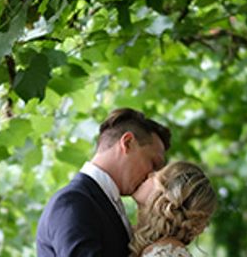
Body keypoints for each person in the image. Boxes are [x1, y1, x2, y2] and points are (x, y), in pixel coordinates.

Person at [36, 108, 171, 256]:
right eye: (153, 163)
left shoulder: (101, 202)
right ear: (127, 143)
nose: (153, 175)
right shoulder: (73, 202)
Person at [129, 161, 217, 257]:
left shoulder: (165, 253)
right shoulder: (164, 247)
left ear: (168, 193)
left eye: (155, 174)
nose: (149, 175)